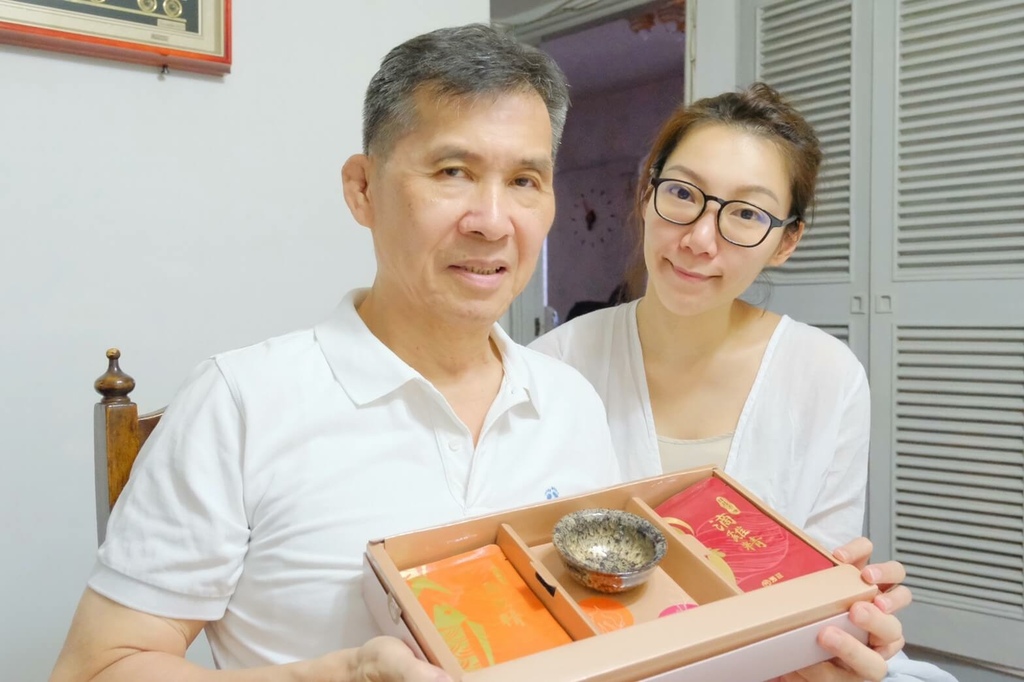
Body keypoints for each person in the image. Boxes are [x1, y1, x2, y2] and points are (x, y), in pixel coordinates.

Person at [50, 24, 621, 682]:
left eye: (525, 180)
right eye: (453, 172)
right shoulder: (242, 404)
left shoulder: (571, 404)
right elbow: (95, 670)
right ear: (362, 189)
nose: (492, 221)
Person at [531, 84, 955, 681]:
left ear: (786, 241)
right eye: (681, 193)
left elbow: (813, 584)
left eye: (747, 214)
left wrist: (840, 622)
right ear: (646, 194)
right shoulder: (553, 365)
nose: (700, 240)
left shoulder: (825, 375)